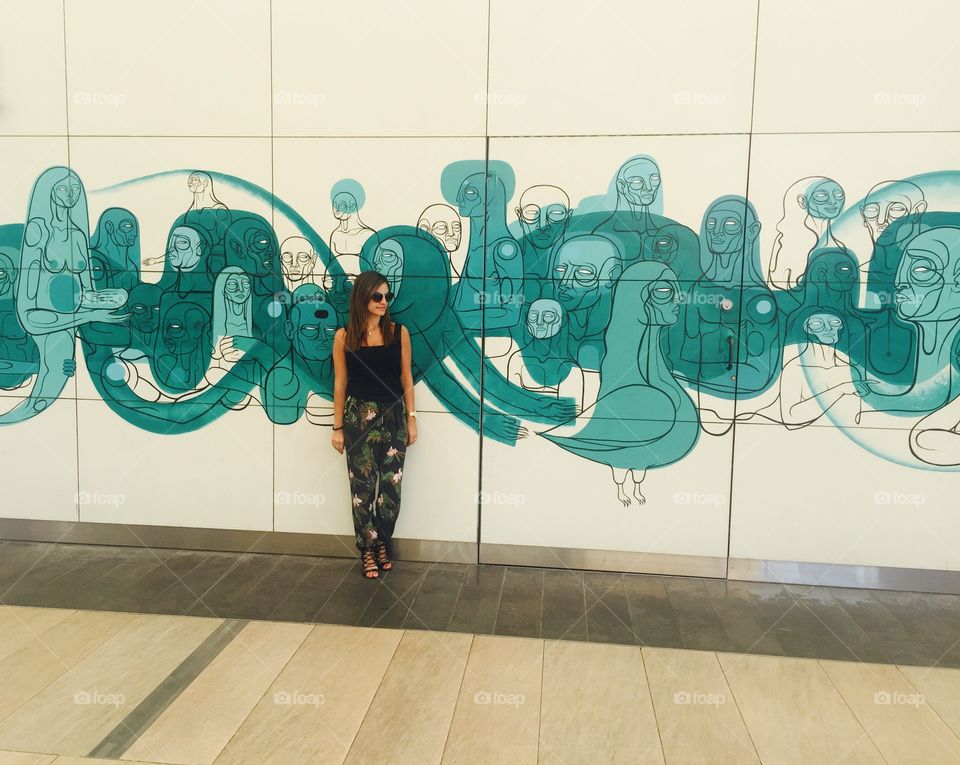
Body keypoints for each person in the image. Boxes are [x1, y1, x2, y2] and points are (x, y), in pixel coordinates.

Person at [331, 270, 417, 579]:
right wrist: (337, 427)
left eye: (387, 296)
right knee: (362, 490)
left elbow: (406, 378)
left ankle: (382, 540)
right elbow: (340, 383)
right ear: (362, 297)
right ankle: (367, 549)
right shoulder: (344, 336)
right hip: (357, 418)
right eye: (377, 296)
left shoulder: (398, 332)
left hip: (393, 416)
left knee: (391, 489)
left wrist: (412, 418)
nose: (383, 302)